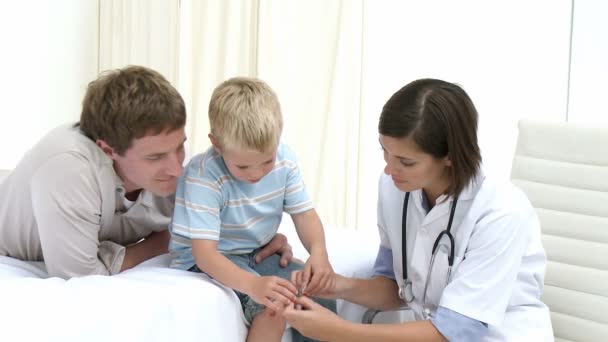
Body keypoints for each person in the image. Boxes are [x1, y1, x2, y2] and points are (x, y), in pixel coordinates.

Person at [284, 78, 553, 341]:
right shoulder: (394, 187)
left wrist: (338, 332)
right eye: (385, 151)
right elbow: (396, 286)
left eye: (405, 161)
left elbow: (458, 330)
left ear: (450, 156)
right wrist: (338, 286)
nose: (389, 169)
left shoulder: (501, 213)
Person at [0, 65, 291, 279]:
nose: (178, 168)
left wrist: (256, 236)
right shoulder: (67, 168)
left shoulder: (174, 168)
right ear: (108, 149)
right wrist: (160, 243)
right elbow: (80, 277)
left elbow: (211, 225)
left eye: (180, 147)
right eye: (155, 157)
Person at [168, 77, 336, 342]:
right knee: (272, 306)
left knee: (316, 292)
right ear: (217, 144)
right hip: (208, 260)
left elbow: (305, 215)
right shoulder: (204, 176)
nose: (256, 173)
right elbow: (205, 255)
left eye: (266, 161)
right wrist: (253, 285)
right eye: (243, 167)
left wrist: (319, 252)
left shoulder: (285, 160)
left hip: (254, 251)